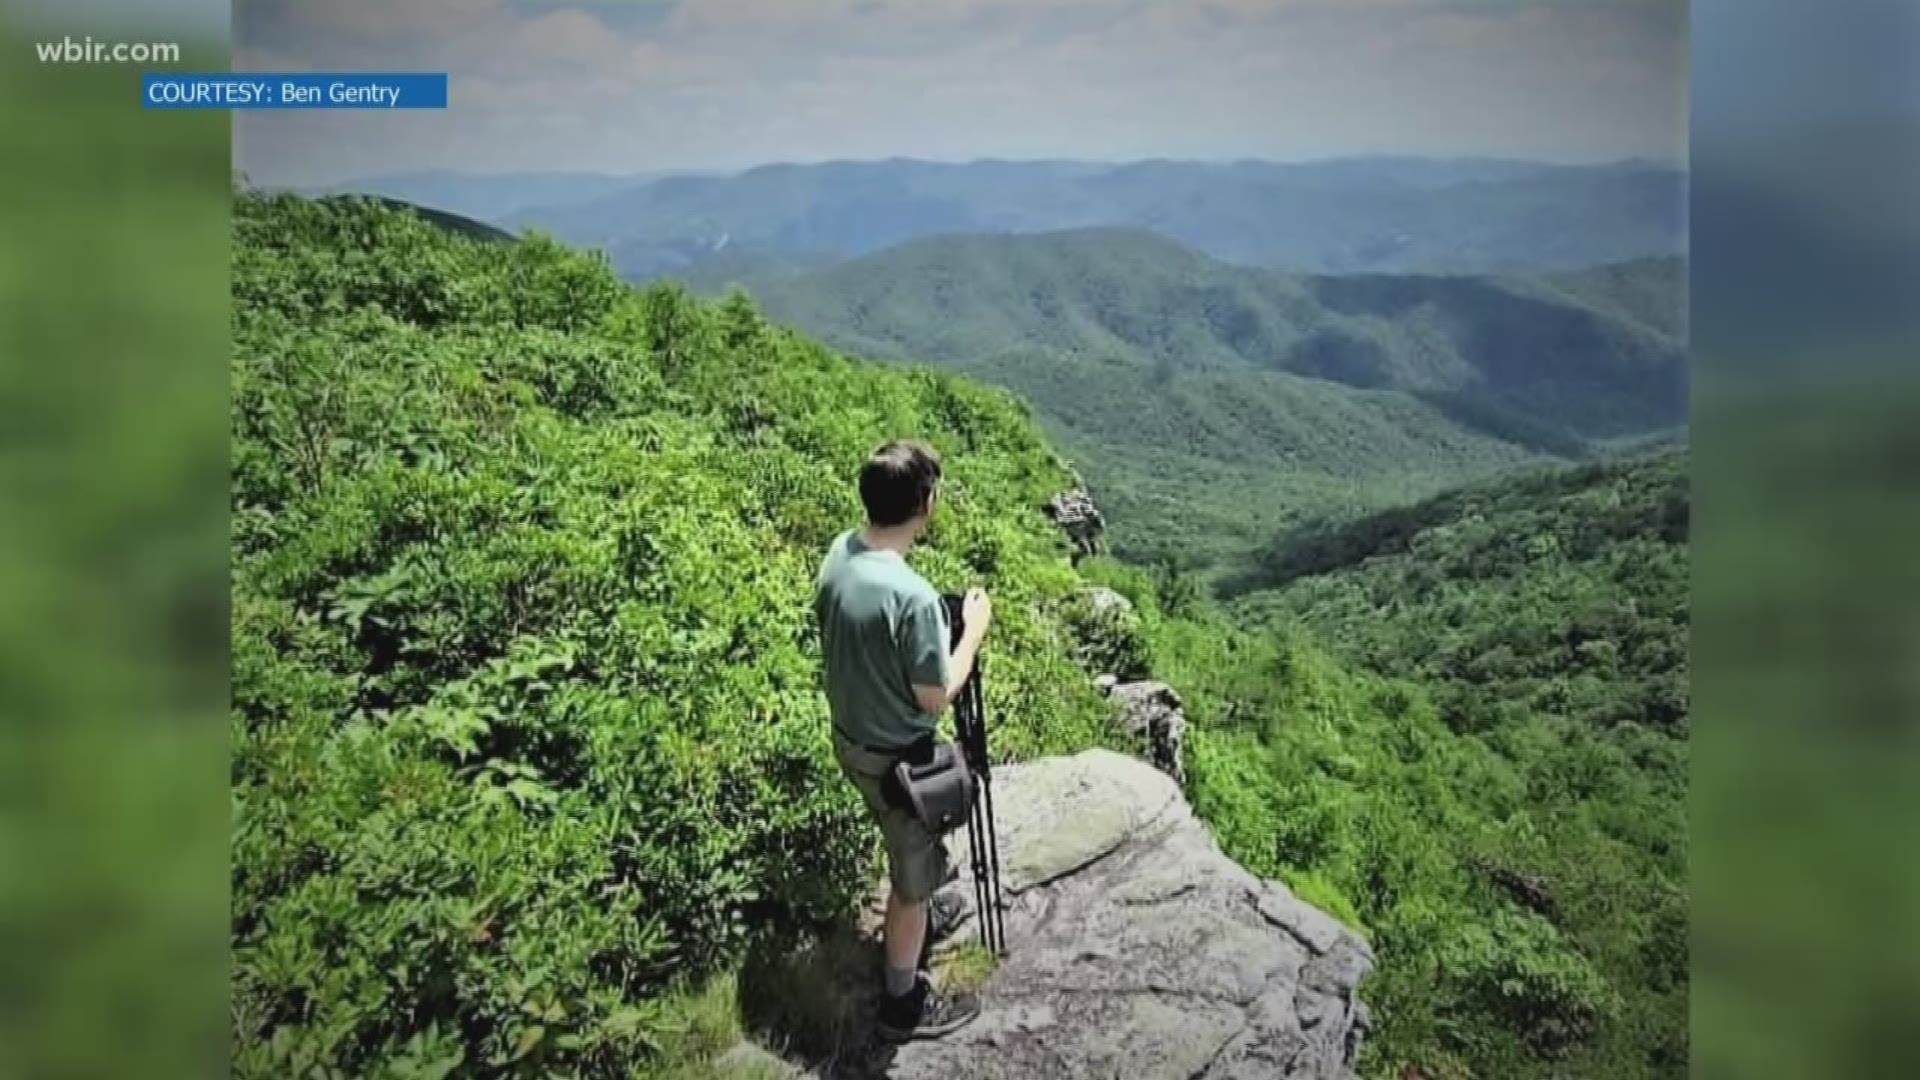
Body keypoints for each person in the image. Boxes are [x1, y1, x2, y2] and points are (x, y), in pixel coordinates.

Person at [814, 439, 992, 1042]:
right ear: (926, 503)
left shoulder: (841, 552)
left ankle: (918, 900)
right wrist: (971, 634)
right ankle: (902, 1003)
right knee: (910, 877)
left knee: (907, 853)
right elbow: (936, 696)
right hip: (897, 762)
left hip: (851, 737)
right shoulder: (913, 599)